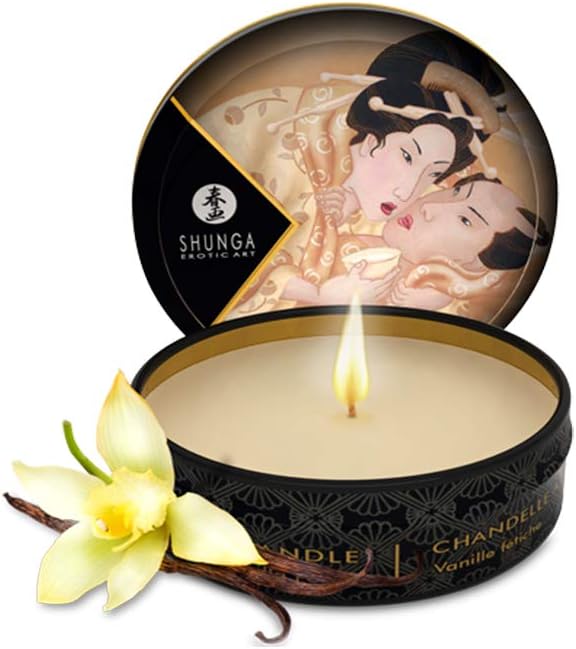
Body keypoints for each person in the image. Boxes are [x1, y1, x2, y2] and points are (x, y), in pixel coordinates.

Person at [283, 174, 549, 314]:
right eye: (455, 192)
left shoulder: (425, 292)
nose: (429, 207)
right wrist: (320, 296)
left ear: (476, 263)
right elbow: (263, 274)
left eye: (465, 220)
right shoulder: (353, 236)